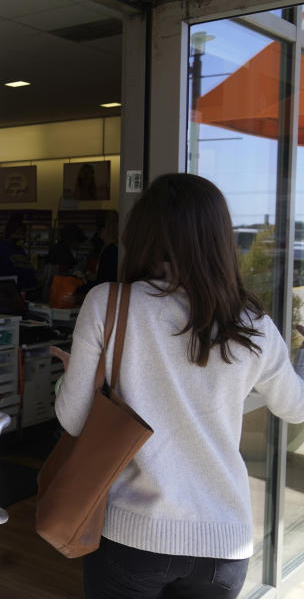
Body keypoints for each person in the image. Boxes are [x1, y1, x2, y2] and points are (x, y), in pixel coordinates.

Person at [50, 173, 304, 598]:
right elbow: (296, 408)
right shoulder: (254, 324)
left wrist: (71, 377)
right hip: (224, 541)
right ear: (221, 239)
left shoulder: (109, 303)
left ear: (142, 234)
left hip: (132, 537)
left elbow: (73, 421)